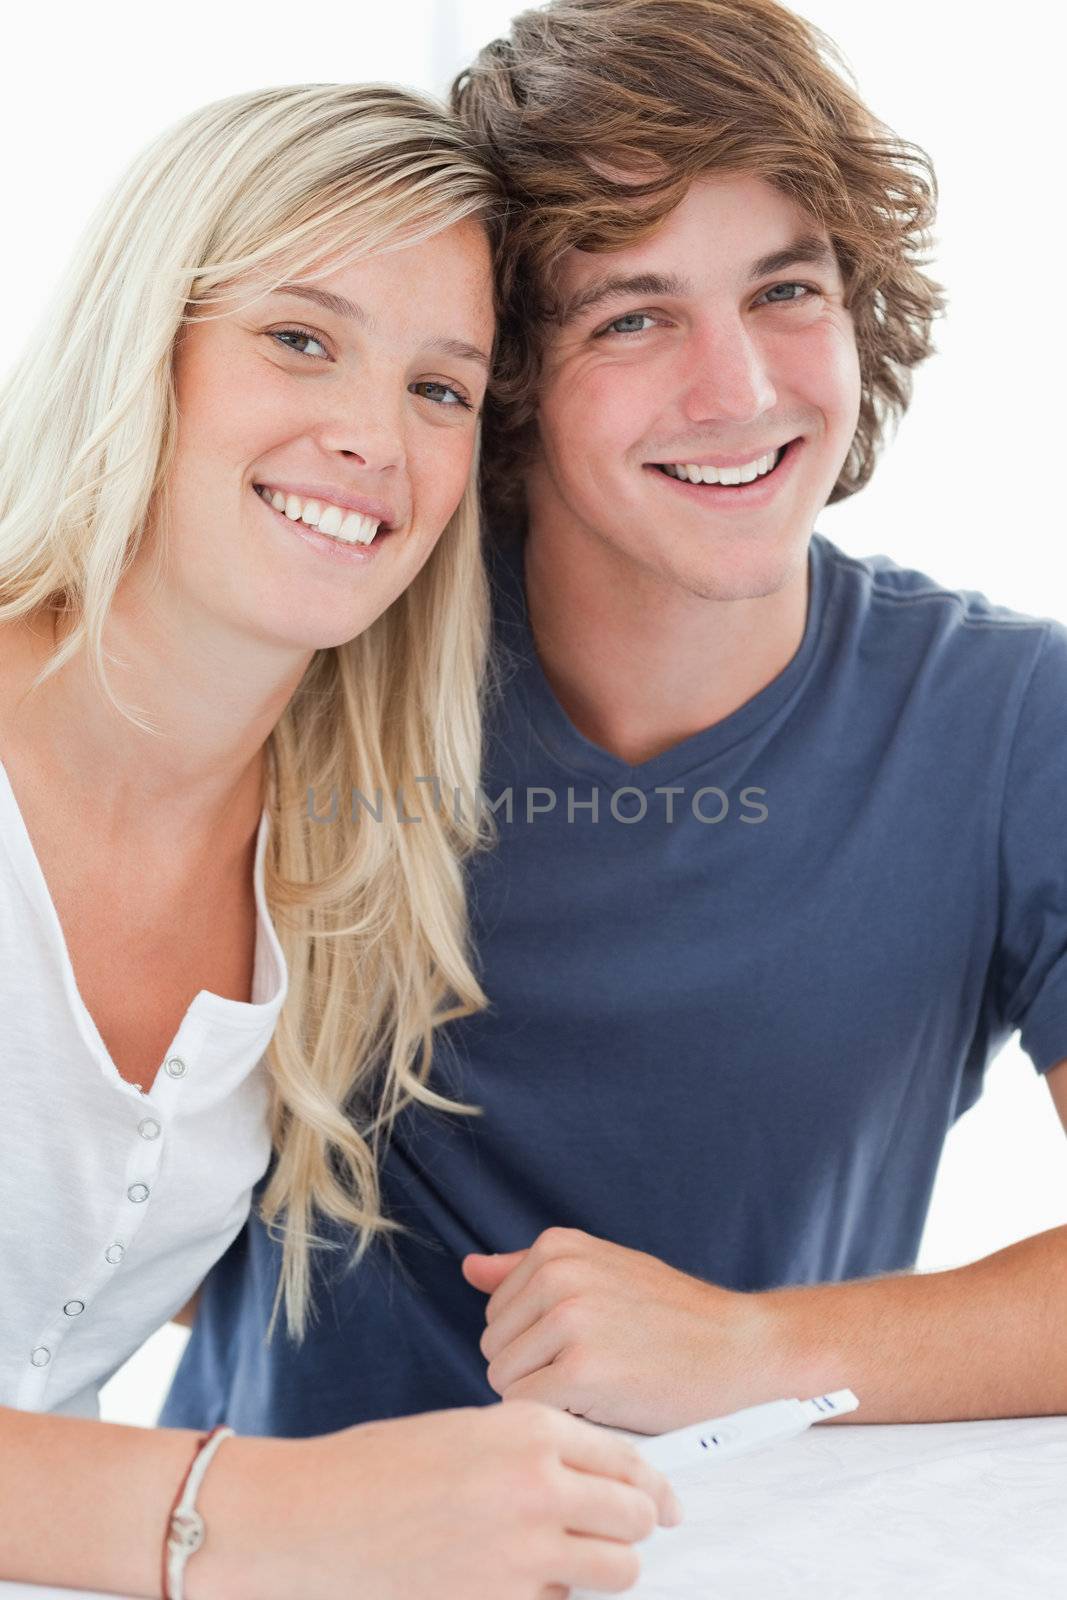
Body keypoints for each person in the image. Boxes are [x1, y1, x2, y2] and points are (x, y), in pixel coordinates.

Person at [163, 0, 1067, 1446]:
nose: (744, 393)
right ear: (508, 377)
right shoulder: (328, 647)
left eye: (788, 292)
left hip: (737, 1556)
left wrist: (749, 1347)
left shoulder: (1014, 722)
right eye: (635, 316)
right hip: (277, 1545)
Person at [0, 82, 680, 1600]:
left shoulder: (342, 870)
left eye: (441, 389)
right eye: (300, 338)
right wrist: (247, 1514)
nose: (373, 437)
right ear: (146, 347)